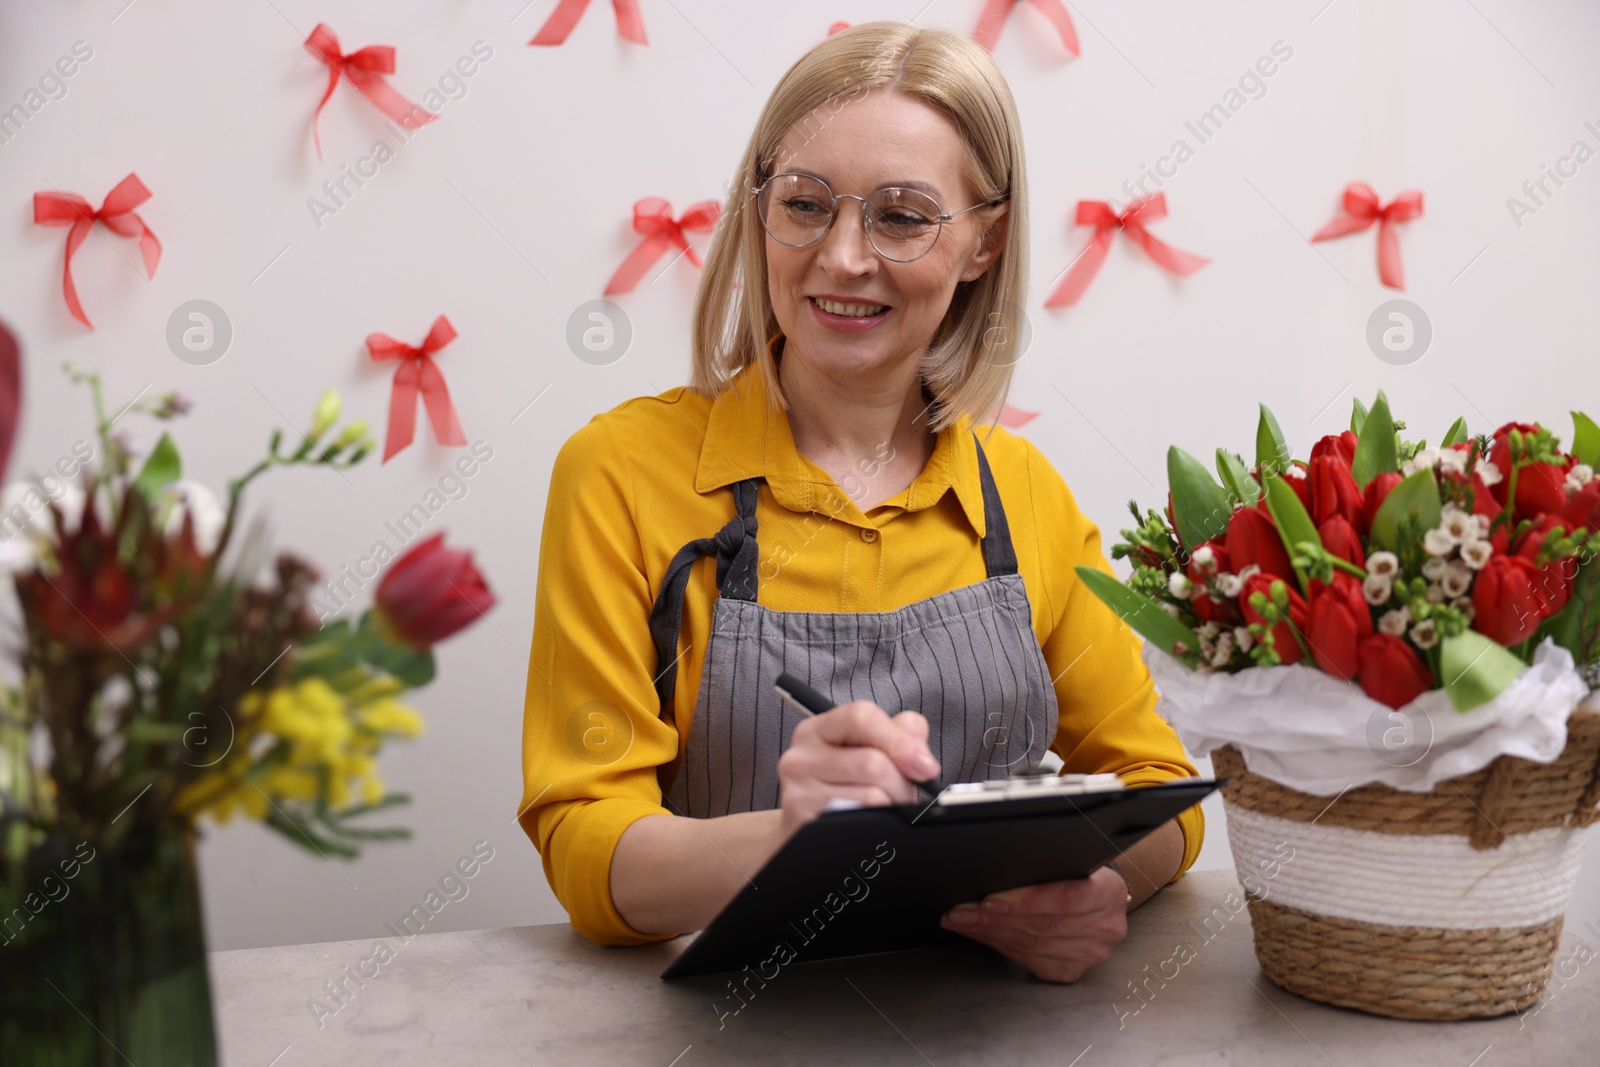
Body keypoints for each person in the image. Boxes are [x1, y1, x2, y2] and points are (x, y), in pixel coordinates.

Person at [517, 22, 1203, 984]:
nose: (841, 258)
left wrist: (1096, 883)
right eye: (804, 203)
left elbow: (1163, 792)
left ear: (983, 243)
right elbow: (586, 845)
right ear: (758, 212)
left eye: (901, 216)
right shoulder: (618, 474)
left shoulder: (1025, 494)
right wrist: (797, 842)